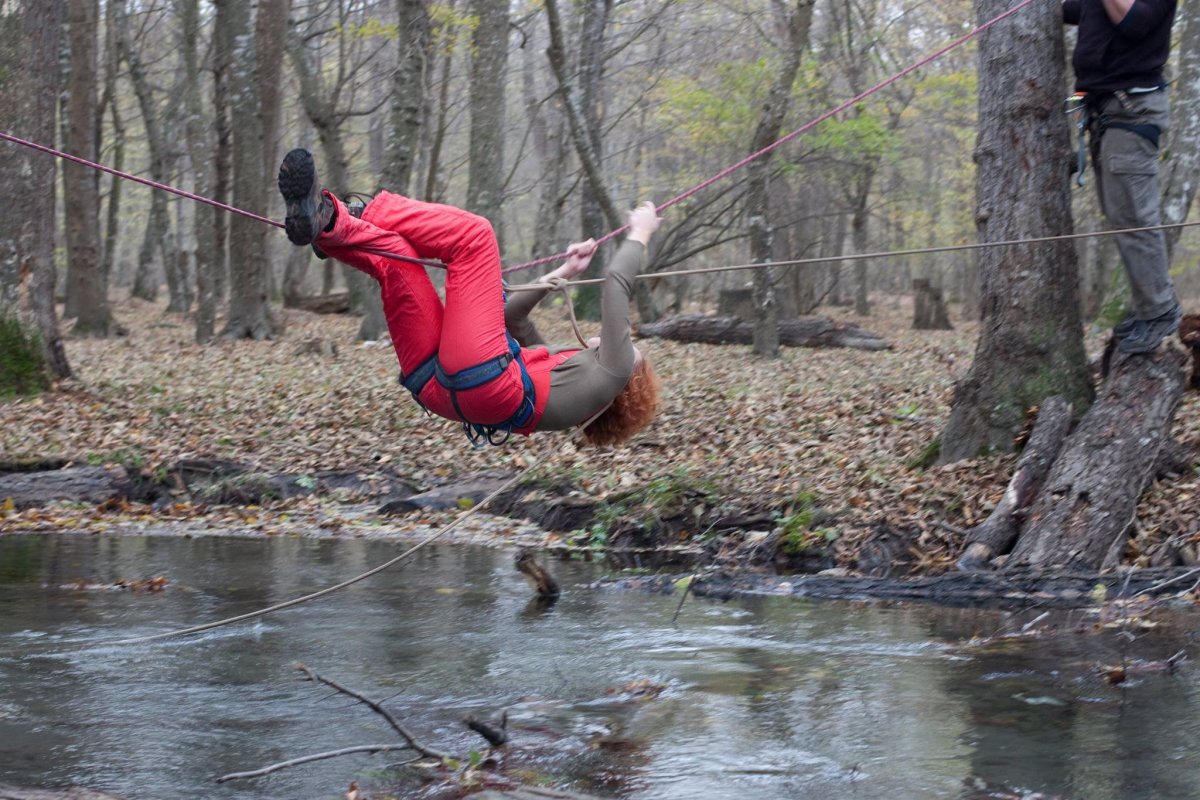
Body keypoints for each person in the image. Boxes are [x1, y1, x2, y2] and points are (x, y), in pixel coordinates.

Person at [276, 147, 661, 446]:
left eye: (634, 354)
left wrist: (640, 233)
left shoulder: (612, 372)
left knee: (474, 237)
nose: (629, 347)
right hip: (440, 390)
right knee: (397, 261)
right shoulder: (571, 381)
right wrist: (565, 272)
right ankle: (326, 221)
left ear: (628, 383)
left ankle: (365, 212)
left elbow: (616, 281)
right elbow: (513, 321)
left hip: (485, 382)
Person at [1063, 0, 1181, 354]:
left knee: (1135, 220)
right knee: (1121, 218)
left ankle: (1159, 311)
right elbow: (1068, 10)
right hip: (1108, 112)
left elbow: (1133, 21)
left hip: (1132, 112)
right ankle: (1150, 308)